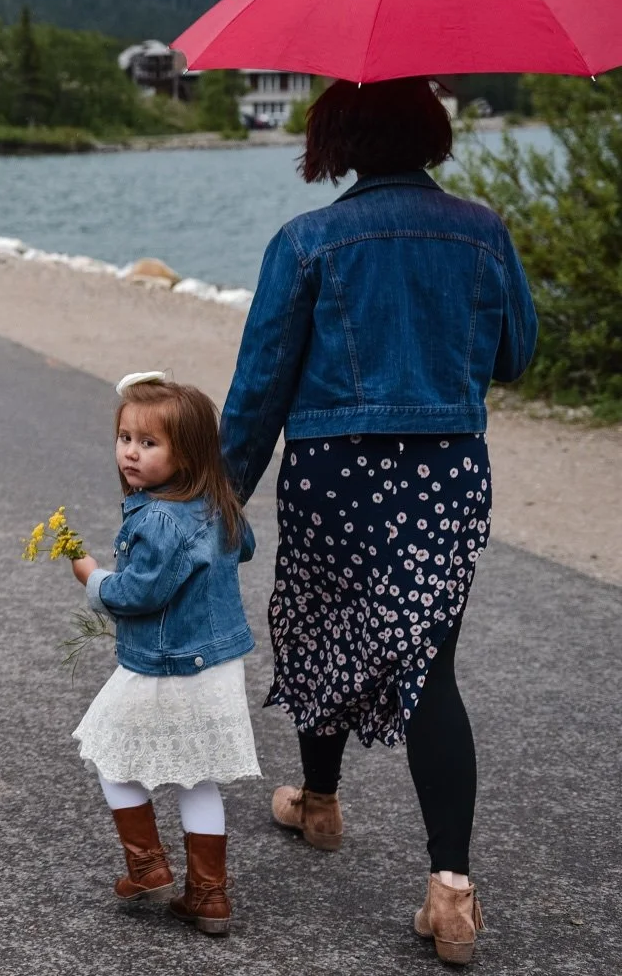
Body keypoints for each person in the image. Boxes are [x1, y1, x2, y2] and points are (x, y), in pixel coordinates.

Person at [220, 77, 537, 966]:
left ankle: (320, 803)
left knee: (325, 626)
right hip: (446, 474)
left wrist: (222, 496)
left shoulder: (305, 240)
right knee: (430, 664)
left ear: (340, 141)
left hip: (336, 472)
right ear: (431, 133)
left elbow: (260, 387)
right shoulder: (483, 230)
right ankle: (451, 890)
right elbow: (515, 354)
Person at [67, 374, 261, 937]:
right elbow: (243, 547)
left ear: (188, 454)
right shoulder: (219, 503)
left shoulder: (157, 519)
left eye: (149, 443)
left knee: (108, 752)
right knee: (198, 778)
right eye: (125, 438)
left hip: (166, 664)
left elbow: (138, 595)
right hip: (217, 664)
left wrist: (92, 577)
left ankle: (147, 866)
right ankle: (209, 896)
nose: (131, 452)